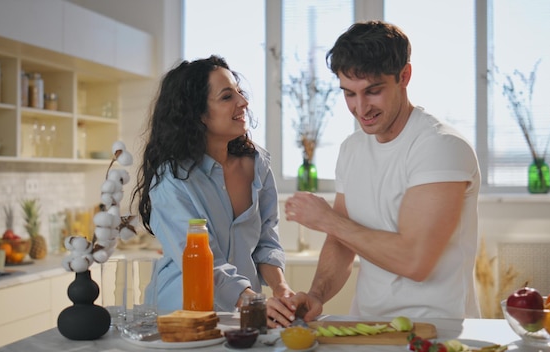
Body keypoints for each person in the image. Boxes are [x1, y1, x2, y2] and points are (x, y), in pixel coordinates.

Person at [274, 20, 481, 324]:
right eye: (349, 94)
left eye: (372, 91)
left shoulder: (440, 146)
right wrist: (317, 294)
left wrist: (327, 219)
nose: (361, 108)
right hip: (368, 327)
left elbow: (414, 261)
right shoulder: (352, 149)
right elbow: (342, 241)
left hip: (436, 331)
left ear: (404, 76)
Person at [131, 56, 295, 324]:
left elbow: (266, 241)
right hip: (181, 315)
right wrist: (252, 302)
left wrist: (280, 288)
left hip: (246, 314)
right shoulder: (171, 179)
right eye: (227, 96)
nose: (243, 102)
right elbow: (201, 260)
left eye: (239, 93)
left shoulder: (258, 165)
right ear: (198, 114)